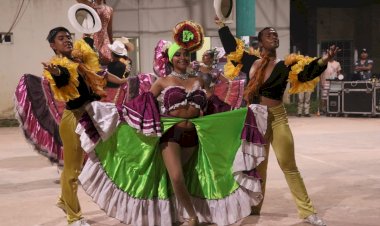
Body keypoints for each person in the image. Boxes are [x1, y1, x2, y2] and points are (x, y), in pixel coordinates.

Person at [76, 20, 268, 226]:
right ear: (170, 59)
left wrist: (242, 114)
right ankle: (192, 217)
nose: (182, 58)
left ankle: (172, 214)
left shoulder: (199, 81)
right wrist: (111, 112)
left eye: (185, 54)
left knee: (182, 177)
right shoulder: (163, 81)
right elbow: (143, 104)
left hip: (196, 135)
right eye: (177, 54)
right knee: (176, 177)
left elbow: (215, 105)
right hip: (171, 134)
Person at [215, 17, 339, 226]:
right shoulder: (248, 60)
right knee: (257, 166)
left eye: (275, 34)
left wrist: (324, 60)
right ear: (261, 41)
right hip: (255, 119)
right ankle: (254, 206)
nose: (273, 36)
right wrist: (221, 25)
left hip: (278, 118)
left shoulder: (285, 66)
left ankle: (307, 211)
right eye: (268, 34)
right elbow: (230, 46)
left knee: (288, 165)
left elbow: (307, 72)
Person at [42, 26, 127, 226]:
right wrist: (56, 73)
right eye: (61, 39)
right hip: (73, 119)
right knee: (71, 170)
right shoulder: (57, 65)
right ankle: (74, 217)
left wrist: (124, 80)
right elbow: (62, 78)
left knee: (79, 166)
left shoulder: (78, 61)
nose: (67, 40)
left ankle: (64, 200)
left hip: (88, 114)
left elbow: (100, 76)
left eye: (68, 37)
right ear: (53, 45)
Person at [77, 0, 114, 65]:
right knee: (87, 58)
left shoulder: (110, 9)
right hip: (90, 36)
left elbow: (109, 28)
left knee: (105, 59)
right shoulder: (89, 5)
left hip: (104, 39)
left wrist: (112, 44)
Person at [102, 39, 133, 104]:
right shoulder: (127, 62)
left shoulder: (110, 64)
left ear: (112, 53)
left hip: (109, 91)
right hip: (121, 90)